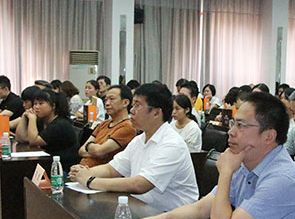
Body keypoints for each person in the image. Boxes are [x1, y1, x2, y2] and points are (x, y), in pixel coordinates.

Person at [133, 92, 295, 219]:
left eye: (241, 125)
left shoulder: (282, 179)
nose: (231, 132)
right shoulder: (246, 164)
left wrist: (226, 173)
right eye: (233, 124)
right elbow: (200, 209)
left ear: (269, 136)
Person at [69, 83, 198, 212]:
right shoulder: (139, 140)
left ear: (156, 113)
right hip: (141, 207)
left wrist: (90, 181)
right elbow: (111, 169)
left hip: (173, 215)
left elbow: (140, 184)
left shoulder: (172, 144)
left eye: (137, 105)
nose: (131, 110)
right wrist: (84, 172)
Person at [15, 88, 79, 172]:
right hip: (48, 163)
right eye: (35, 104)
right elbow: (20, 138)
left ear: (53, 106)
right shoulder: (42, 120)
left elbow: (33, 141)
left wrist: (32, 118)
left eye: (41, 104)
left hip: (63, 169)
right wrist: (24, 116)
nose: (36, 107)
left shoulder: (60, 124)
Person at [78, 84, 136, 168]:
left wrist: (89, 146)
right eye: (106, 100)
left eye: (112, 99)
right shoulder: (104, 124)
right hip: (82, 169)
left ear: (125, 102)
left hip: (100, 173)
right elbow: (81, 151)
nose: (107, 103)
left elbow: (99, 151)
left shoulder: (127, 127)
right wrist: (94, 151)